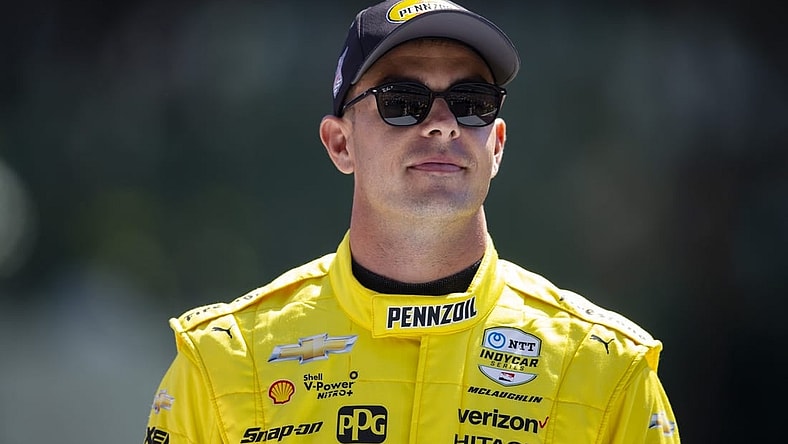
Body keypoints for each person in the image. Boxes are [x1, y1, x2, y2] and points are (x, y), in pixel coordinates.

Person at [144, 1, 680, 443]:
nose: (444, 125)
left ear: (495, 146)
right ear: (340, 143)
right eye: (404, 100)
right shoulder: (221, 363)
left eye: (472, 101)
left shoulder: (609, 371)